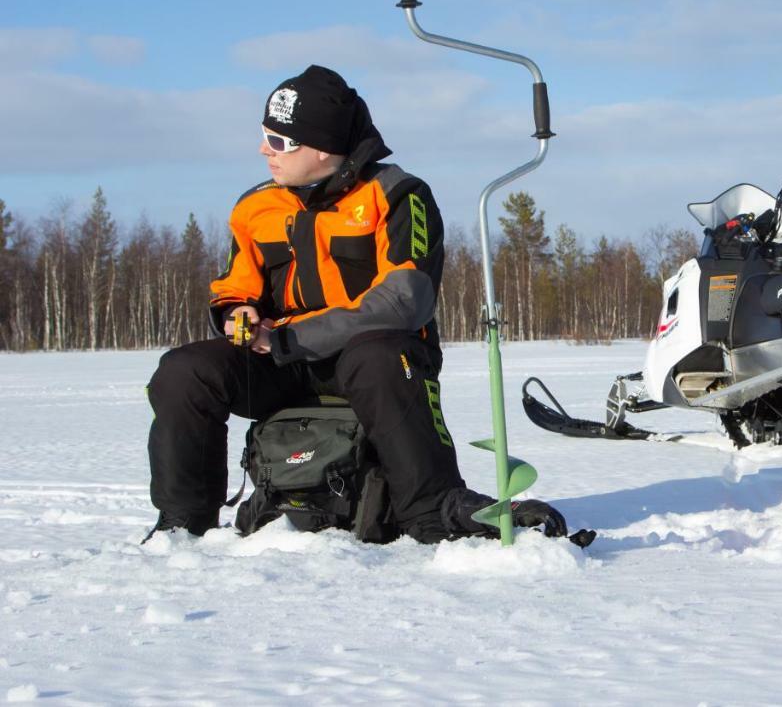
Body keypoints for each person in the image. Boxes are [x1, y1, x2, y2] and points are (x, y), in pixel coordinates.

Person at [145, 65, 567, 543]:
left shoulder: (398, 195)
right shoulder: (254, 207)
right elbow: (235, 286)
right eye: (264, 135)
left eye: (280, 141)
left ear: (323, 147)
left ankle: (432, 509)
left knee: (379, 354)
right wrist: (237, 313)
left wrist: (288, 337)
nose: (265, 150)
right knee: (183, 371)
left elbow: (403, 301)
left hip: (374, 363)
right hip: (282, 362)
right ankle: (182, 524)